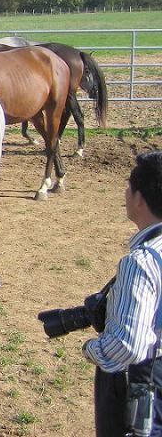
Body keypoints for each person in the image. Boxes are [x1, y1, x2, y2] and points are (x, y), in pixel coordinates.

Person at [82, 151, 162, 437]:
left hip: (149, 391)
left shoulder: (140, 262)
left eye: (129, 187)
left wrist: (92, 349)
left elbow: (128, 346)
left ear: (139, 198)